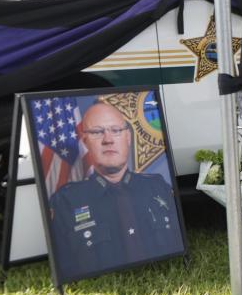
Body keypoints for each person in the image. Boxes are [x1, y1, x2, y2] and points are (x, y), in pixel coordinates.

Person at [48, 101, 183, 282]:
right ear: (85, 140)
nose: (108, 139)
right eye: (97, 132)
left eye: (116, 130)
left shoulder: (157, 188)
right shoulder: (67, 201)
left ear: (127, 137)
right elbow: (66, 264)